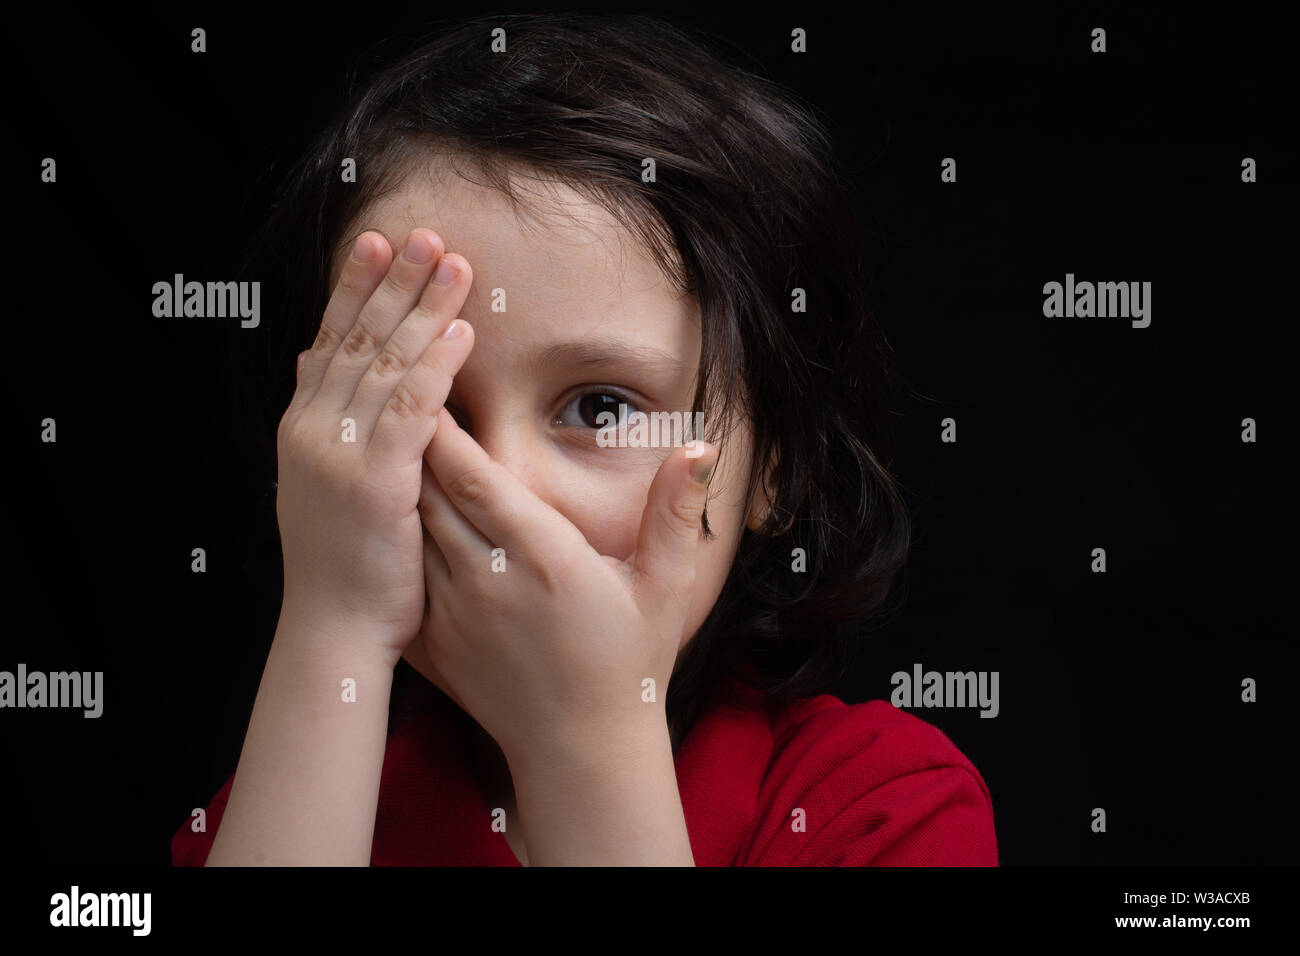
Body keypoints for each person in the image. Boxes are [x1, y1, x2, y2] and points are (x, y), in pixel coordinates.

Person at [171, 13, 997, 866]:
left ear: (772, 472)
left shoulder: (880, 808)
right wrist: (333, 623)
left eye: (601, 409)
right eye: (425, 413)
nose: (504, 484)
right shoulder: (300, 801)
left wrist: (584, 738)